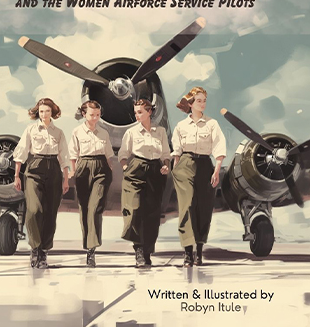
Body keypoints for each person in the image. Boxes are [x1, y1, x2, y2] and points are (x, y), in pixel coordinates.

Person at [171, 87, 226, 267]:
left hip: (205, 165)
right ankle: (188, 252)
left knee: (203, 206)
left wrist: (217, 170)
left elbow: (219, 147)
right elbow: (177, 150)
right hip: (185, 164)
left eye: (204, 100)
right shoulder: (181, 126)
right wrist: (176, 169)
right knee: (187, 205)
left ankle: (199, 250)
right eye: (199, 100)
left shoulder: (212, 124)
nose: (203, 104)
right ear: (191, 103)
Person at [12, 98, 70, 269]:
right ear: (38, 112)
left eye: (47, 111)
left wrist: (66, 179)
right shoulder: (30, 129)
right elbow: (21, 152)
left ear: (53, 113)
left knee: (50, 213)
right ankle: (35, 248)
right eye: (42, 111)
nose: (44, 114)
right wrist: (16, 175)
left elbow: (64, 156)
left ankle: (44, 252)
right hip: (34, 169)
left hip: (53, 170)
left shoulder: (58, 132)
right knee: (34, 210)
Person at [118, 99, 171, 268]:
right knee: (134, 210)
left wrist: (166, 166)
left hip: (155, 171)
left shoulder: (160, 131)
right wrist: (126, 167)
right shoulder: (131, 132)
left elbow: (165, 153)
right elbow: (123, 154)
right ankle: (138, 249)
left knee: (152, 214)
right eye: (135, 112)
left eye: (140, 112)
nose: (137, 115)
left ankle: (147, 252)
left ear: (149, 112)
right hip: (136, 169)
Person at [69, 100, 114, 268]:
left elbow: (109, 154)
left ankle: (92, 249)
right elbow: (73, 154)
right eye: (91, 115)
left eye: (97, 115)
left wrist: (110, 169)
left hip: (101, 168)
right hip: (83, 167)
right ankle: (88, 245)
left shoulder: (104, 133)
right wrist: (73, 171)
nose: (95, 118)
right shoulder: (77, 132)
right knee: (85, 209)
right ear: (84, 114)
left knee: (95, 208)